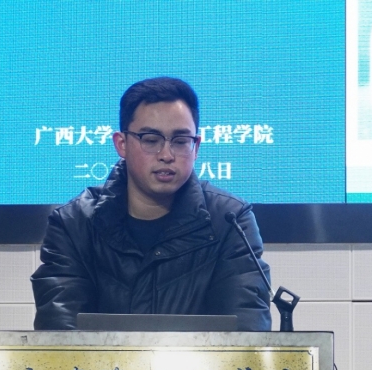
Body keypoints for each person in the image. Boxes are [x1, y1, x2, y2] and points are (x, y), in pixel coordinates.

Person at [31, 77, 271, 331]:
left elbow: (246, 333)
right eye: (150, 139)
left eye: (180, 141)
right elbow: (60, 336)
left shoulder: (230, 221)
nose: (166, 155)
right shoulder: (73, 224)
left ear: (196, 147)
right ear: (121, 144)